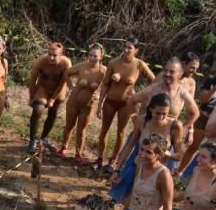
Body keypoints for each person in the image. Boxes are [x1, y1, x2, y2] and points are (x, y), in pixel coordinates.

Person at [122, 58, 200, 167]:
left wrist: (184, 128)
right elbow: (131, 101)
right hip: (146, 134)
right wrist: (135, 119)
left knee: (161, 172)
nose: (167, 74)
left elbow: (195, 113)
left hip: (167, 138)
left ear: (179, 74)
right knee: (132, 167)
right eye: (166, 70)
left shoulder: (182, 93)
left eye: (171, 72)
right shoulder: (153, 89)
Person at [109, 93, 181, 203]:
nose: (161, 117)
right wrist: (117, 169)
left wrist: (165, 153)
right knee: (129, 199)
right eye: (158, 113)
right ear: (151, 109)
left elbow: (179, 155)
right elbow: (130, 146)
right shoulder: (142, 121)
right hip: (140, 166)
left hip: (159, 172)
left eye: (164, 114)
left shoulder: (175, 126)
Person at [96, 39, 155, 169]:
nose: (126, 50)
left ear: (136, 50)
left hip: (126, 104)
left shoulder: (139, 64)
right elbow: (105, 85)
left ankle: (112, 160)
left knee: (121, 132)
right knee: (104, 130)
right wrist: (99, 104)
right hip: (110, 101)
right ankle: (99, 158)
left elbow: (153, 80)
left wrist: (140, 94)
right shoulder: (113, 63)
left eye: (130, 48)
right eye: (125, 47)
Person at [177, 59, 216, 178]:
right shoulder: (211, 80)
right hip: (204, 117)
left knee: (210, 151)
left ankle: (198, 175)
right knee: (193, 146)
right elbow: (203, 100)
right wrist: (215, 88)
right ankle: (180, 171)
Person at [56, 44, 108, 164]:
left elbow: (108, 85)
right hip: (74, 101)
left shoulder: (104, 71)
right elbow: (67, 73)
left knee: (82, 129)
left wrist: (99, 94)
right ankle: (64, 147)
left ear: (101, 57)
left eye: (95, 56)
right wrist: (70, 86)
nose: (91, 58)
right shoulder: (81, 66)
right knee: (69, 125)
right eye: (90, 55)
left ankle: (78, 154)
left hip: (89, 104)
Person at [26, 42, 72, 154]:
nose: (51, 58)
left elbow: (63, 83)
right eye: (49, 54)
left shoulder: (66, 64)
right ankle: (32, 140)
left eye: (54, 55)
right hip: (43, 87)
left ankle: (44, 137)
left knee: (53, 113)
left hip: (58, 89)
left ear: (61, 55)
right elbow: (32, 80)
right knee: (37, 110)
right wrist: (31, 97)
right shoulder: (41, 62)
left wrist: (53, 99)